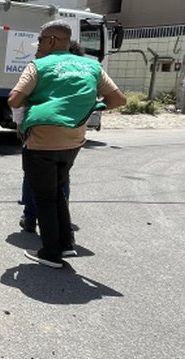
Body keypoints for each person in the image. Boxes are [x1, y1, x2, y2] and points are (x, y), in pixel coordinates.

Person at [8, 21, 126, 269]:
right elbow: (118, 99)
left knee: (44, 197)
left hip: (41, 138)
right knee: (58, 190)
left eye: (40, 41)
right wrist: (88, 107)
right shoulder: (92, 66)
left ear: (51, 40)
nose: (38, 46)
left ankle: (51, 254)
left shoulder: (38, 66)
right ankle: (66, 244)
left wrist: (41, 100)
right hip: (73, 139)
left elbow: (14, 99)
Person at [17, 41, 85, 234]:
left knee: (33, 176)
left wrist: (20, 125)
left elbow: (19, 100)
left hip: (40, 133)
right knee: (62, 178)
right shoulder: (83, 73)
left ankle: (31, 218)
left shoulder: (42, 68)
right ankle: (61, 221)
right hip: (72, 135)